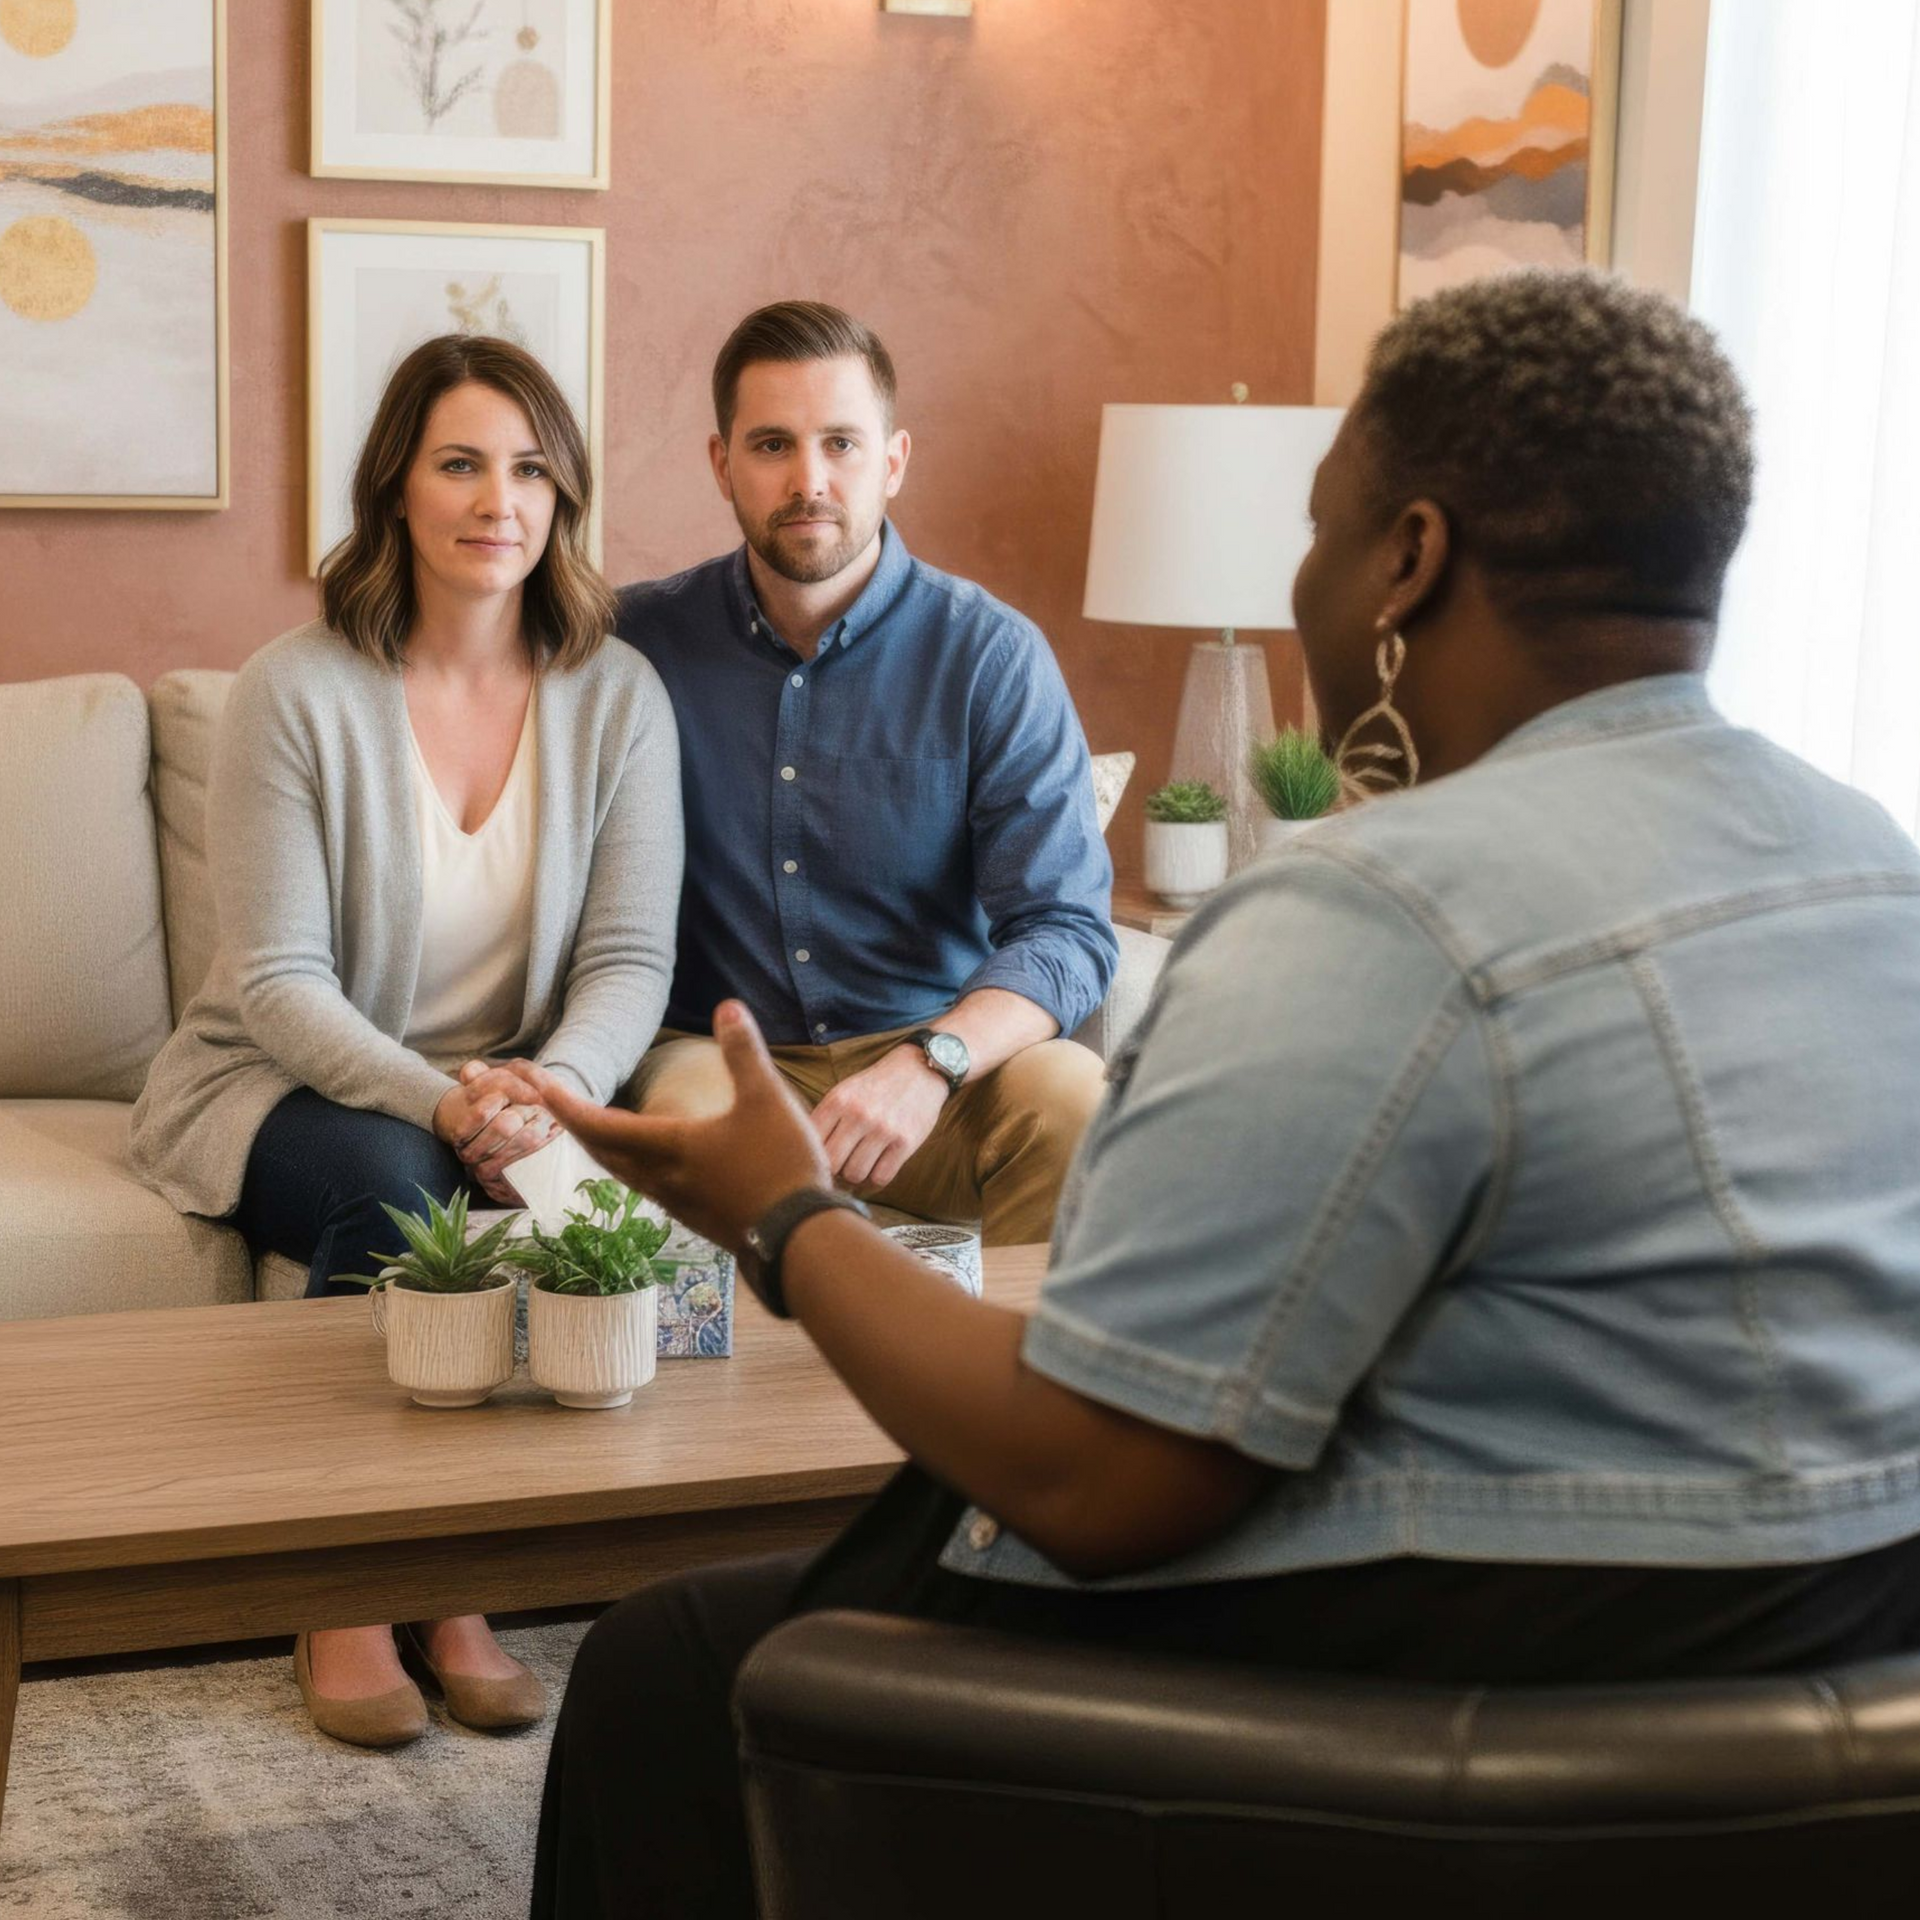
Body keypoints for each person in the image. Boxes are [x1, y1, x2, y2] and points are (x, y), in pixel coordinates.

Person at [521, 267, 1920, 1919]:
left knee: (658, 1665)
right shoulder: (1871, 862)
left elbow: (1098, 1487)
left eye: (1320, 531)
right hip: (1815, 1704)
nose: (1307, 579)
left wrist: (789, 1217)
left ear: (1408, 559)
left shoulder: (1363, 911)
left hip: (1433, 1704)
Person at [131, 334, 683, 1750]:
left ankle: (456, 1582)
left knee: (616, 1230)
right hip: (284, 1084)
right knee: (399, 1187)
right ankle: (358, 1588)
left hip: (523, 1088)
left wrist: (550, 1096)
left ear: (562, 500)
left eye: (528, 469)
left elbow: (628, 959)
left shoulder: (618, 696)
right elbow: (278, 986)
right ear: (396, 485)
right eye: (459, 463)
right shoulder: (294, 689)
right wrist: (451, 1107)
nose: (497, 499)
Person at [613, 301, 1117, 1247]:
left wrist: (932, 1063)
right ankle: (744, 1398)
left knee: (1076, 1104)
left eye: (841, 443)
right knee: (692, 1125)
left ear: (893, 460)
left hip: (937, 1063)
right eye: (772, 445)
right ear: (721, 464)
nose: (810, 480)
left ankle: (1007, 1388)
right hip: (719, 1056)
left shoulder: (991, 658)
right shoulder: (633, 643)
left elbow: (1068, 929)